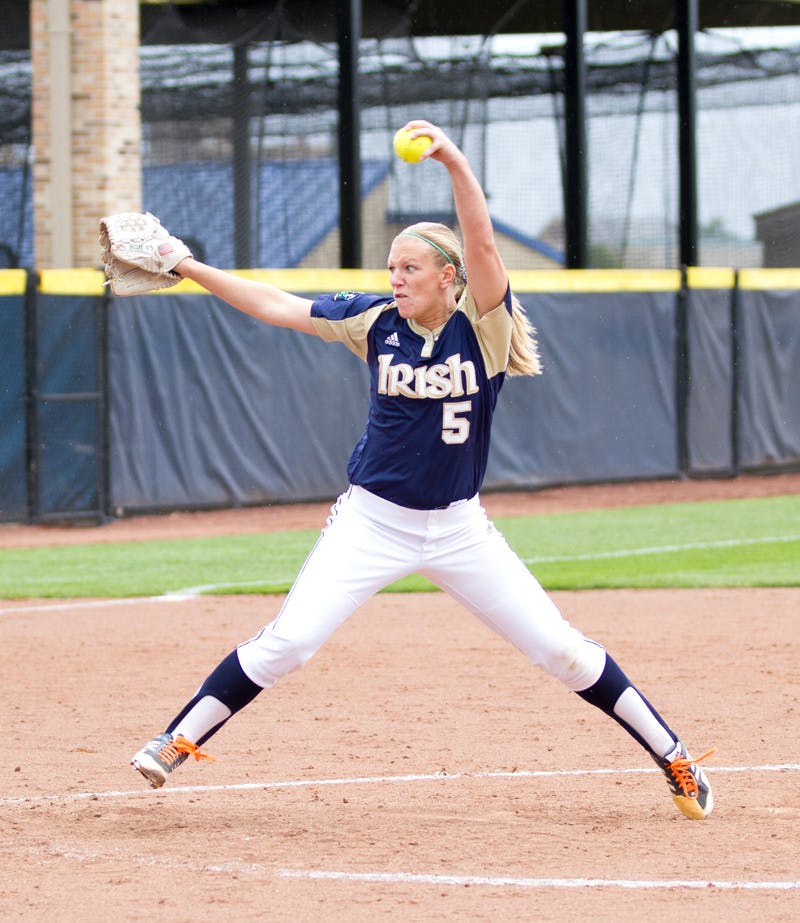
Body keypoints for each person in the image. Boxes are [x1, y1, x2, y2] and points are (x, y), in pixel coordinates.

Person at [130, 119, 714, 819]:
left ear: (448, 277)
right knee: (288, 642)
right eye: (391, 268)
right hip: (373, 520)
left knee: (561, 649)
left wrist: (451, 159)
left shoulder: (484, 326)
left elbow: (484, 241)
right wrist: (184, 264)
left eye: (409, 267)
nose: (394, 277)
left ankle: (673, 755)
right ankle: (174, 740)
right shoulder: (374, 322)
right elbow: (276, 305)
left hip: (459, 528)